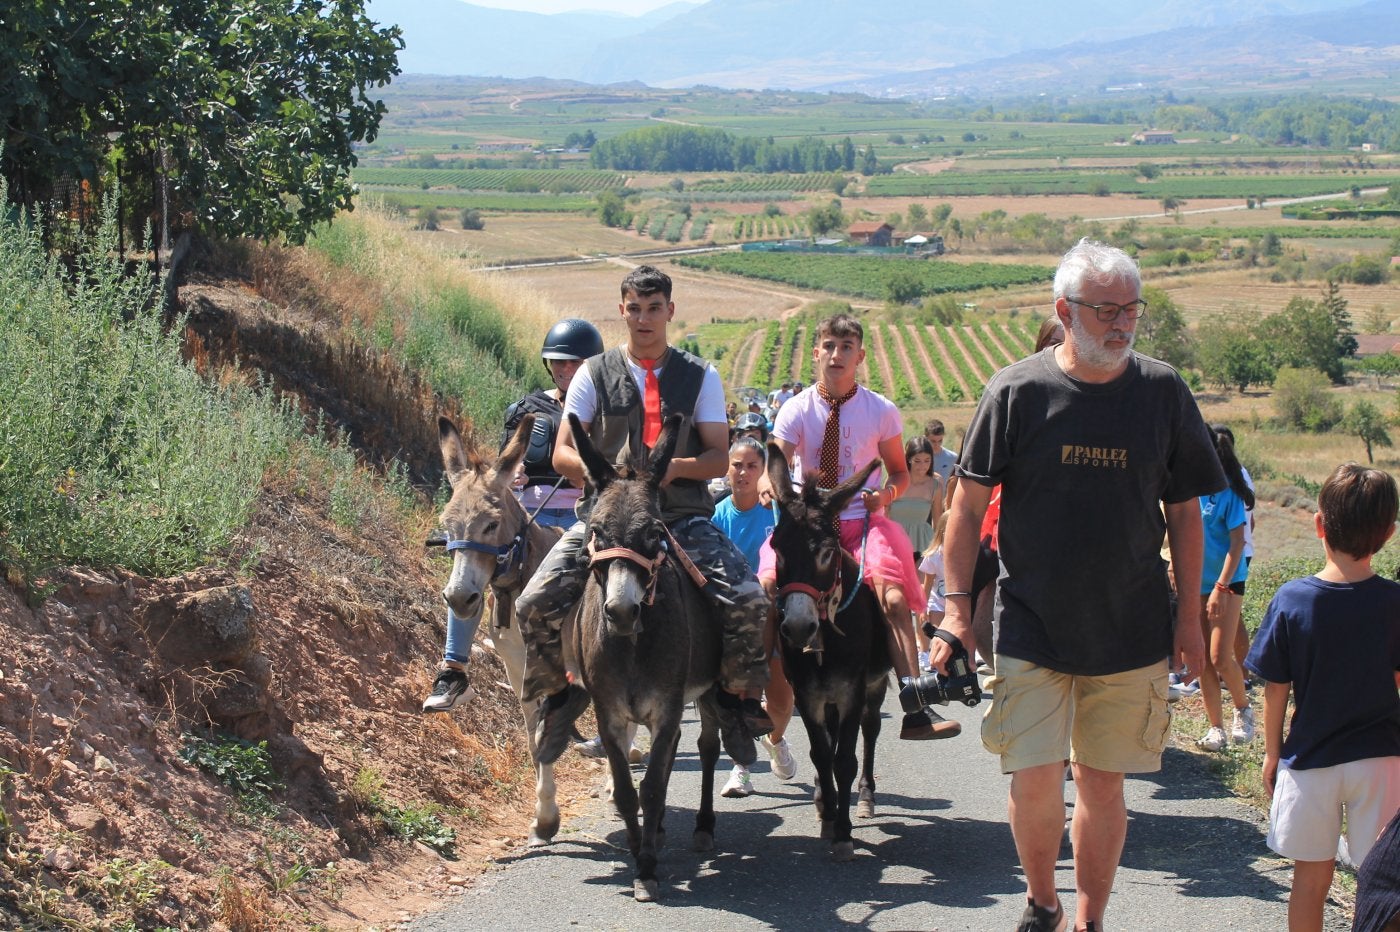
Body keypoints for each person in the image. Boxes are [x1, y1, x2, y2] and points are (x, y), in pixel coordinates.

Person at [934, 238, 1221, 932]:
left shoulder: (1162, 391)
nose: (1121, 325)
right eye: (1105, 311)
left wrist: (1189, 618)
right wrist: (957, 611)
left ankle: (1090, 918)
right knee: (1033, 778)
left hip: (1131, 625)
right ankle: (1042, 901)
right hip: (1033, 620)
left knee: (1103, 782)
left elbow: (1185, 512)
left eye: (1131, 310)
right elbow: (966, 509)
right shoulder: (1017, 391)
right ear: (1064, 311)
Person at [514, 265, 773, 766]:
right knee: (532, 603)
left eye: (654, 308)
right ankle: (560, 697)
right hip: (607, 522)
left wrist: (666, 470)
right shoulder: (593, 373)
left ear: (670, 311)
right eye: (635, 308)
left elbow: (719, 456)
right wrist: (607, 477)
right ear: (622, 312)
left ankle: (736, 701)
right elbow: (564, 452)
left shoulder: (701, 375)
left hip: (681, 518)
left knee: (747, 599)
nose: (644, 318)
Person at [759, 312, 957, 741]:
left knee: (895, 598)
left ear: (860, 356)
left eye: (846, 347)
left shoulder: (881, 410)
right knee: (766, 586)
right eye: (829, 346)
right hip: (807, 526)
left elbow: (900, 475)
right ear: (817, 353)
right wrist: (765, 485)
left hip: (861, 524)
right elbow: (775, 461)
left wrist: (884, 497)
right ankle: (750, 695)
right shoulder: (794, 409)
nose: (837, 354)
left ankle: (914, 704)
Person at [1245, 462, 1400, 932]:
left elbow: (1276, 689)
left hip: (1310, 760)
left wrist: (1272, 754)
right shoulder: (1394, 602)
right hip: (1383, 760)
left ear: (1318, 525)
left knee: (1309, 883)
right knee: (1382, 887)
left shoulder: (1293, 599)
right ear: (1389, 534)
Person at [422, 317, 604, 713]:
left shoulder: (605, 410)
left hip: (581, 508)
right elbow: (504, 462)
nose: (565, 370)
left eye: (574, 363)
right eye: (558, 362)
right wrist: (511, 475)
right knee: (474, 551)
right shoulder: (526, 409)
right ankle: (453, 668)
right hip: (525, 508)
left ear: (591, 366)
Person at [711, 437, 797, 797]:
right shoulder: (717, 517)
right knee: (737, 698)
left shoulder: (775, 513)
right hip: (734, 625)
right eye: (736, 465)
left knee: (780, 703)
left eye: (751, 466)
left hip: (776, 619)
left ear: (763, 473)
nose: (743, 473)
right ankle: (741, 768)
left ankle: (776, 740)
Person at [1195, 425, 1256, 752]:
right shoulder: (1189, 490)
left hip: (1228, 582)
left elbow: (1237, 544)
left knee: (1220, 657)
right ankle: (1215, 728)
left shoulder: (1229, 492)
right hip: (1198, 583)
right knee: (1202, 660)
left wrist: (1220, 586)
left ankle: (1243, 710)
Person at [917, 512, 951, 672]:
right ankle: (925, 653)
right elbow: (927, 584)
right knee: (939, 634)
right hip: (938, 602)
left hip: (956, 602)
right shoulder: (934, 556)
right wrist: (922, 608)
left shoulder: (966, 552)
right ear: (942, 531)